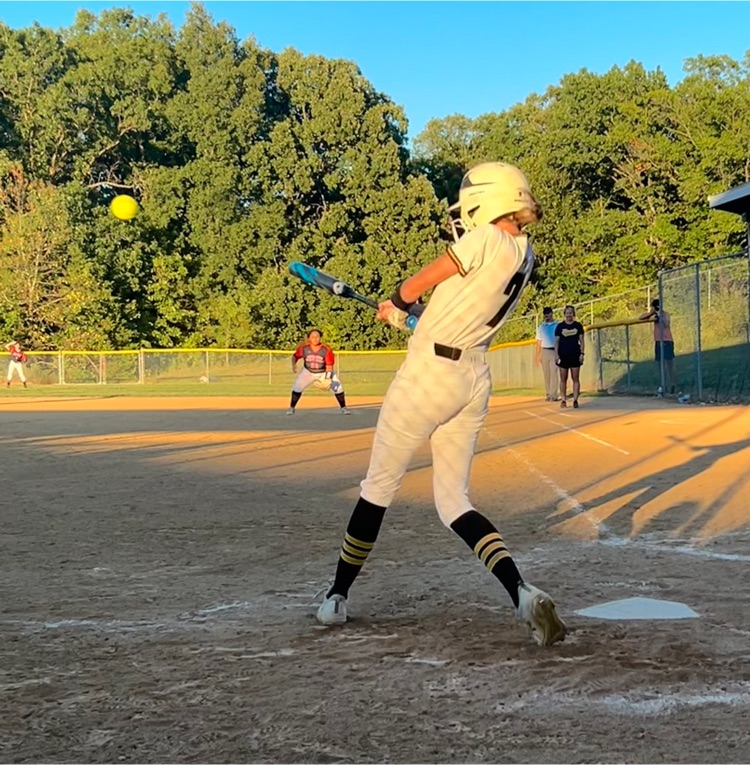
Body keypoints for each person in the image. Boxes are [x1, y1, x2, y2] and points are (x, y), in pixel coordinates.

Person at [315, 161, 566, 647]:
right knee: (454, 502)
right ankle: (521, 591)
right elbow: (458, 306)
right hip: (472, 377)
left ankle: (337, 596)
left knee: (377, 487)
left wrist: (398, 302)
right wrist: (411, 317)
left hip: (428, 377)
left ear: (486, 202)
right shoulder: (524, 252)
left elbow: (418, 284)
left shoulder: (484, 238)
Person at [288, 329, 350, 415]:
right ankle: (291, 408)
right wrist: (294, 365)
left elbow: (329, 365)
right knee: (297, 388)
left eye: (317, 336)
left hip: (323, 372)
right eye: (313, 337)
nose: (315, 339)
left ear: (320, 338)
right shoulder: (304, 348)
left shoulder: (326, 349)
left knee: (338, 388)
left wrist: (327, 378)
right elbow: (295, 356)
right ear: (309, 338)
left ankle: (343, 407)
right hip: (308, 372)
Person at [639, 298, 676, 395]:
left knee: (669, 364)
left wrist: (660, 315)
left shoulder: (665, 314)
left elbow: (666, 324)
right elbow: (641, 318)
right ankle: (663, 385)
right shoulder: (653, 316)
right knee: (660, 365)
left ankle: (673, 384)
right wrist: (651, 313)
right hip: (658, 341)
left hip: (667, 341)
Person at [554, 306, 585, 409]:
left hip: (575, 355)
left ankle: (575, 400)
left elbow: (582, 341)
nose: (569, 315)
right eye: (567, 313)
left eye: (571, 313)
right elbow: (556, 342)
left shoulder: (578, 326)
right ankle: (563, 400)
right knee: (563, 378)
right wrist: (556, 355)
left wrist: (582, 353)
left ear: (573, 314)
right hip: (563, 355)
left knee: (575, 378)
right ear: (564, 314)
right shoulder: (560, 326)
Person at [535, 307, 559, 401]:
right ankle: (548, 393)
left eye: (548, 314)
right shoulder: (541, 327)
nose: (547, 316)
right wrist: (538, 355)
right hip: (545, 350)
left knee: (554, 372)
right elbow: (538, 341)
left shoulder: (557, 325)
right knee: (546, 373)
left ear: (551, 314)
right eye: (545, 314)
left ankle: (554, 394)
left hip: (554, 350)